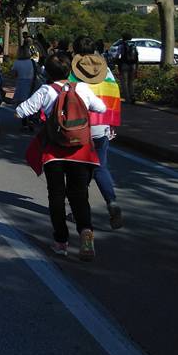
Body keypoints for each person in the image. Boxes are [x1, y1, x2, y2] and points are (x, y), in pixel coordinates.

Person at [15, 52, 106, 261]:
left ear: (47, 71)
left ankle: (61, 241)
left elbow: (21, 111)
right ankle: (85, 232)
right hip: (81, 152)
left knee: (56, 196)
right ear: (70, 70)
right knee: (79, 195)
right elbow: (101, 108)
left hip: (54, 152)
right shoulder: (82, 88)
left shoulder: (46, 90)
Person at [70, 37, 124, 229]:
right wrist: (111, 122)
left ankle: (79, 210)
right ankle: (112, 203)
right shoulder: (106, 71)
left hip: (79, 128)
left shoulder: (74, 71)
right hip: (102, 128)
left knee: (78, 171)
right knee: (100, 167)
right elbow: (114, 96)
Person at [11, 44, 37, 132]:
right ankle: (31, 119)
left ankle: (24, 123)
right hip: (32, 84)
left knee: (22, 104)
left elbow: (13, 74)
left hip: (21, 83)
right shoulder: (32, 62)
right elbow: (40, 71)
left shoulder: (17, 62)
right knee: (31, 102)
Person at [117, 32, 138, 104]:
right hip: (133, 65)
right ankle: (133, 96)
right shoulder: (134, 45)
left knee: (124, 82)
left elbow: (118, 56)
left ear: (123, 38)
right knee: (131, 82)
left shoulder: (121, 45)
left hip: (124, 65)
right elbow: (137, 56)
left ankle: (127, 98)